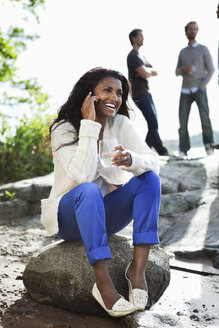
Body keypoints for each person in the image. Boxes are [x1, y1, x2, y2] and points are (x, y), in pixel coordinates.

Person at [41, 67, 161, 317]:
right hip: (69, 217)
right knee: (88, 190)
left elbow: (154, 162)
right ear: (90, 95)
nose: (114, 98)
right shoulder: (63, 128)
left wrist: (133, 160)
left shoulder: (121, 123)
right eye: (107, 90)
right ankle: (103, 284)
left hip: (105, 215)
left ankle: (136, 271)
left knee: (149, 179)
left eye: (118, 93)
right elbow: (81, 177)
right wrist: (89, 126)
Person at [175, 21, 215, 157]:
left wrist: (203, 85)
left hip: (199, 89)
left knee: (205, 119)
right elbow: (177, 71)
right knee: (183, 122)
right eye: (190, 29)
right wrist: (183, 69)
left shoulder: (203, 49)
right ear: (185, 31)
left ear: (197, 31)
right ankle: (183, 150)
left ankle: (209, 146)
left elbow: (211, 69)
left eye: (195, 29)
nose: (192, 31)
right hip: (185, 90)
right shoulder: (183, 52)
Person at [127, 29, 169, 156]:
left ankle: (144, 152)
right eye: (140, 36)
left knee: (153, 122)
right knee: (152, 122)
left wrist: (146, 70)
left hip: (147, 93)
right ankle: (161, 151)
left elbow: (154, 70)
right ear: (134, 38)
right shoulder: (132, 56)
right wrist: (146, 70)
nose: (143, 38)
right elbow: (144, 74)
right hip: (139, 94)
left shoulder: (141, 56)